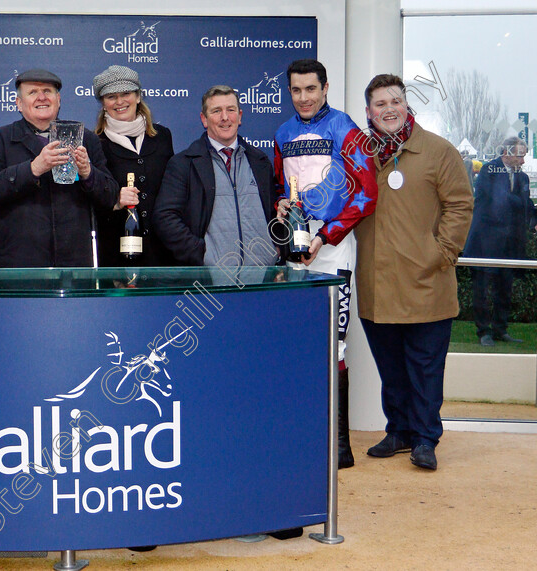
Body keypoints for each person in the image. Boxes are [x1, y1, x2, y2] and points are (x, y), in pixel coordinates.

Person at [356, 74, 473, 471]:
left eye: (395, 101)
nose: (388, 109)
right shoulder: (359, 156)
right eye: (379, 104)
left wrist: (441, 254)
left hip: (427, 283)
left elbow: (460, 205)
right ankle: (400, 430)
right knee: (391, 368)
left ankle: (426, 437)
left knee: (425, 368)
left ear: (407, 105)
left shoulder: (439, 152)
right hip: (378, 285)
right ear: (368, 111)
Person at [273, 59, 378, 469]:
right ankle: (304, 435)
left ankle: (340, 446)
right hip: (297, 248)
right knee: (299, 342)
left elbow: (366, 194)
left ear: (326, 88)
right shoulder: (282, 133)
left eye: (311, 89)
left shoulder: (346, 128)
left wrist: (325, 235)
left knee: (333, 344)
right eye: (296, 90)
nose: (303, 98)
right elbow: (283, 191)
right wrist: (281, 207)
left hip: (332, 246)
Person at [0, 69, 118, 267]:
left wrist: (88, 172)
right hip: (18, 264)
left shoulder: (86, 139)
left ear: (58, 99)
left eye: (47, 91)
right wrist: (34, 168)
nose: (42, 97)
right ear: (19, 103)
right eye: (33, 92)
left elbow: (110, 196)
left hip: (75, 264)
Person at [153, 85, 276, 268]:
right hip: (210, 281)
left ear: (240, 116)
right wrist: (202, 255)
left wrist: (276, 250)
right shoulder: (184, 164)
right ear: (204, 119)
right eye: (216, 111)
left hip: (260, 279)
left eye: (231, 110)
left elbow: (274, 213)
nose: (225, 117)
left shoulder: (260, 162)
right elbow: (164, 217)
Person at [91, 65, 176, 267]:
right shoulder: (94, 143)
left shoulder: (162, 137)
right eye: (111, 96)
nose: (119, 102)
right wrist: (114, 200)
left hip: (163, 253)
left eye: (126, 93)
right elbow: (88, 200)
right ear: (103, 103)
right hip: (115, 255)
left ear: (138, 97)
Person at [463, 137, 537, 346]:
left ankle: (500, 329)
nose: (523, 161)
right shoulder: (488, 171)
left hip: (509, 245)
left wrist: (534, 220)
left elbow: (527, 205)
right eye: (520, 156)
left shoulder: (522, 178)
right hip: (485, 243)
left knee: (504, 288)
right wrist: (522, 205)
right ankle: (484, 332)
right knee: (482, 290)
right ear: (506, 153)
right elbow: (500, 199)